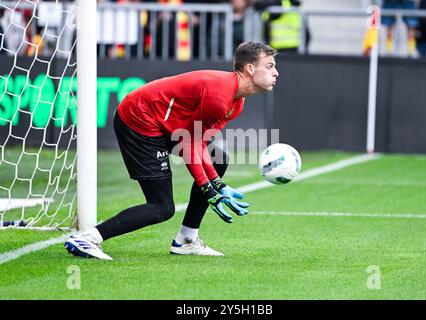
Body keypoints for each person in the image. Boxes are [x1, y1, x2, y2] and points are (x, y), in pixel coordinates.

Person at [64, 41, 279, 260]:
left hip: (165, 126)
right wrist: (208, 189)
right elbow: (189, 145)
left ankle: (186, 240)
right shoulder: (219, 97)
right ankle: (88, 238)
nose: (276, 72)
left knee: (218, 159)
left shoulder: (236, 102)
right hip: (138, 119)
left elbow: (197, 142)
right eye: (270, 66)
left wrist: (217, 184)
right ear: (250, 69)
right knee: (161, 207)